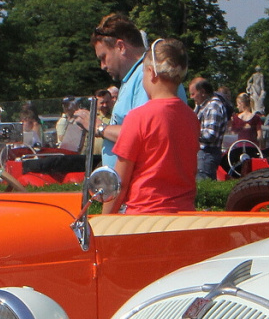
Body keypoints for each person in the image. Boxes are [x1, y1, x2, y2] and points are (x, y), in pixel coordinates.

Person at [105, 37, 199, 215]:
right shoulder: (191, 118)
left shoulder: (138, 118)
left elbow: (119, 183)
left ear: (151, 72)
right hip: (184, 216)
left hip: (144, 217)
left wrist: (103, 223)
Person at [80, 13, 184, 172]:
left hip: (143, 182)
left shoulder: (148, 77)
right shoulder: (137, 77)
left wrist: (99, 128)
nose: (102, 66)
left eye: (103, 57)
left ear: (121, 47)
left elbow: (144, 135)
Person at [190, 77, 229, 180]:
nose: (191, 97)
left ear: (202, 92)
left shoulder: (213, 106)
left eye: (193, 94)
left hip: (207, 155)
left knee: (202, 185)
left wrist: (190, 132)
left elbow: (211, 134)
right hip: (203, 155)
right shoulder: (204, 106)